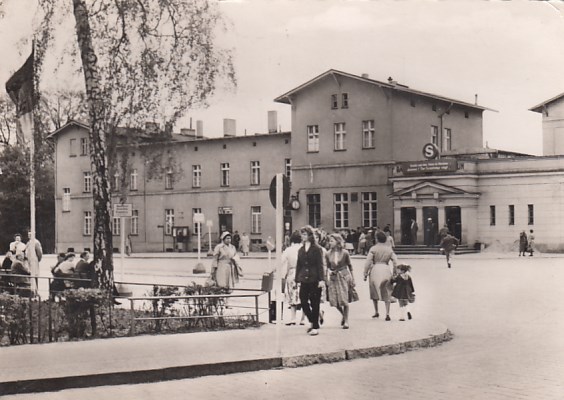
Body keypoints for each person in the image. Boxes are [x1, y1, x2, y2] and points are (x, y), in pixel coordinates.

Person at [295, 225, 325, 336]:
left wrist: (321, 279)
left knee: (314, 302)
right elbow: (299, 264)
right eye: (302, 234)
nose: (302, 236)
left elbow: (320, 265)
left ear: (309, 235)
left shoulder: (317, 249)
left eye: (304, 234)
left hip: (314, 278)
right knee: (303, 301)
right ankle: (313, 320)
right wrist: (297, 279)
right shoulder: (301, 249)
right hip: (304, 279)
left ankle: (315, 326)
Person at [363, 230, 398, 321]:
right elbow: (395, 261)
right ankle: (387, 313)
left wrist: (365, 273)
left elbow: (368, 262)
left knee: (374, 289)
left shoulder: (373, 249)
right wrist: (395, 272)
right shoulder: (389, 249)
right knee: (387, 290)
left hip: (375, 268)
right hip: (385, 268)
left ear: (376, 239)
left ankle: (376, 311)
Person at [325, 233, 355, 329]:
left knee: (344, 299)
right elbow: (327, 267)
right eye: (329, 241)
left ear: (338, 241)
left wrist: (353, 278)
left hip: (344, 276)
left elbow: (350, 266)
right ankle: (343, 314)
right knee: (334, 300)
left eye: (332, 241)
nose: (330, 243)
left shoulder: (345, 252)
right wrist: (326, 278)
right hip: (333, 277)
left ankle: (346, 321)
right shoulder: (328, 253)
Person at [281, 230, 302, 325]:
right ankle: (303, 319)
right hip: (303, 273)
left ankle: (293, 318)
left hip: (292, 273)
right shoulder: (304, 248)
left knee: (292, 295)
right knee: (304, 296)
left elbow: (281, 261)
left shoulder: (288, 250)